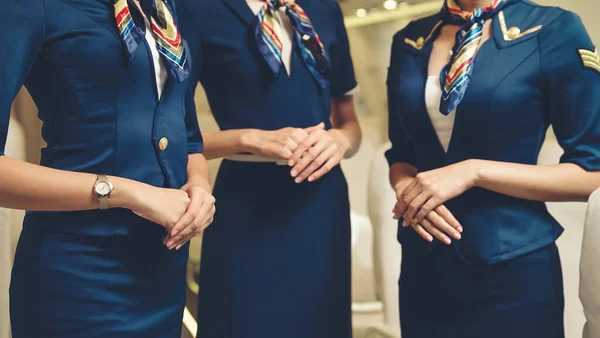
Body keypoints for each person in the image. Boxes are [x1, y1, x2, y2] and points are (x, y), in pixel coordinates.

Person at [386, 0, 600, 337]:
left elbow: (593, 172)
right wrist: (405, 189)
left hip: (512, 268)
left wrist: (474, 171)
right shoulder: (410, 39)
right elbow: (401, 155)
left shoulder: (553, 28)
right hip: (423, 263)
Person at [2, 0, 216, 337]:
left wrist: (200, 185)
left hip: (162, 275)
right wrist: (131, 193)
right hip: (78, 277)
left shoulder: (168, 8)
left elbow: (189, 141)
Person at [176, 0, 361, 337]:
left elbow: (350, 124)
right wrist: (247, 138)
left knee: (322, 324)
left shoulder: (324, 9)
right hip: (248, 205)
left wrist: (340, 141)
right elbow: (174, 132)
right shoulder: (196, 10)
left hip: (322, 203)